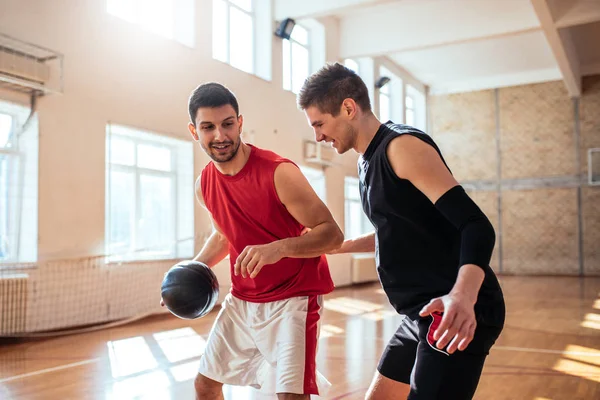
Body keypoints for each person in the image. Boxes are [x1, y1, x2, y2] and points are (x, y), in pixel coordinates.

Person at [297, 63, 506, 400]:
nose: (318, 136)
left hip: (453, 310)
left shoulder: (401, 148)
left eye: (319, 123)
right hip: (419, 315)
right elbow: (399, 232)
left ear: (348, 108)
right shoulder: (367, 161)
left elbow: (476, 225)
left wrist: (463, 296)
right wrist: (338, 247)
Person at [173, 82, 343, 400]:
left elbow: (332, 235)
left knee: (289, 396)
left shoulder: (278, 173)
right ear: (194, 131)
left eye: (227, 124)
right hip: (243, 300)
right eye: (208, 127)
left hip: (293, 299)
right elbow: (225, 234)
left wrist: (279, 248)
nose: (220, 136)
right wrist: (190, 273)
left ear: (239, 122)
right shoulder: (205, 184)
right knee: (205, 384)